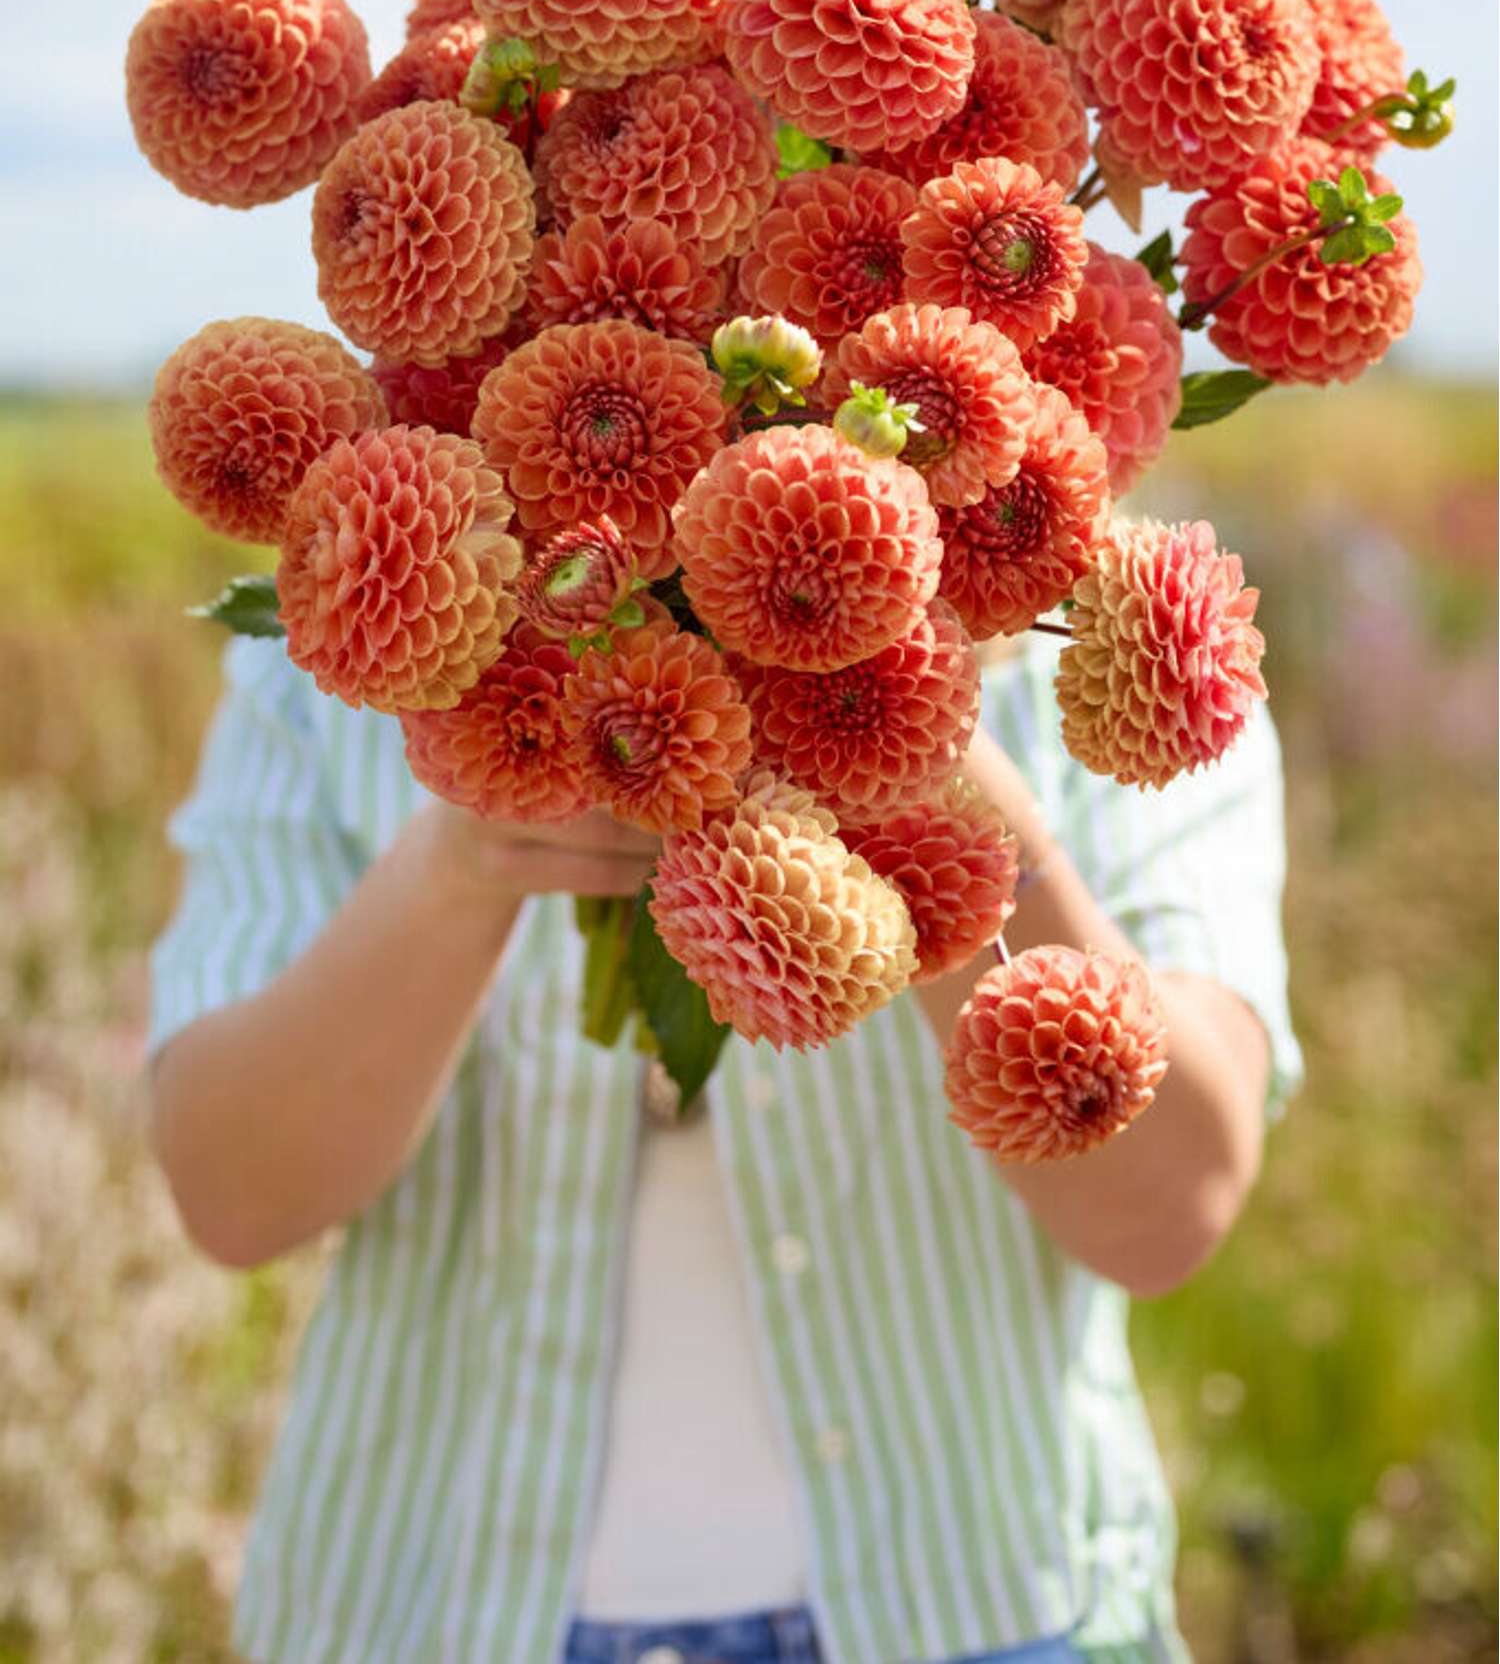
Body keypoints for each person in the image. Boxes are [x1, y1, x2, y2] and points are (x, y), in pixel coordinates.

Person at [148, 627, 1300, 1664]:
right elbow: (232, 1192)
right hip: (438, 1610)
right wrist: (461, 862)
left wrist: (925, 772)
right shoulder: (339, 649)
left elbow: (1169, 1206)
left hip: (977, 1609)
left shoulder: (1113, 648)